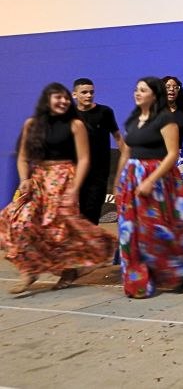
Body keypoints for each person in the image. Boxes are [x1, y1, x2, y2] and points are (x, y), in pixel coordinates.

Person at [0, 83, 116, 293]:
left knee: (59, 230)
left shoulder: (75, 125)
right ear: (47, 100)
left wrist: (74, 187)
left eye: (65, 98)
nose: (63, 101)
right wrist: (24, 179)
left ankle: (69, 271)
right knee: (20, 221)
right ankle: (29, 269)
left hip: (63, 179)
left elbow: (84, 159)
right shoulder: (32, 124)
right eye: (58, 97)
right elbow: (23, 157)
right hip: (38, 179)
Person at [114, 77, 183, 299]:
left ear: (154, 95)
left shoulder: (166, 119)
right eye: (136, 89)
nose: (137, 93)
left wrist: (151, 180)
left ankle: (182, 270)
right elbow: (127, 151)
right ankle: (139, 280)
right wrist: (119, 180)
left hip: (157, 178)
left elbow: (172, 154)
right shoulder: (134, 119)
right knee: (131, 231)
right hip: (132, 178)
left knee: (157, 230)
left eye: (143, 90)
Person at [72, 78, 124, 225]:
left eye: (91, 92)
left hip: (99, 173)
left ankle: (90, 238)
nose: (89, 95)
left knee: (92, 213)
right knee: (76, 214)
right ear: (74, 95)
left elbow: (118, 138)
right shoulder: (69, 115)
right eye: (84, 92)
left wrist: (128, 159)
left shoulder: (105, 112)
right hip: (75, 172)